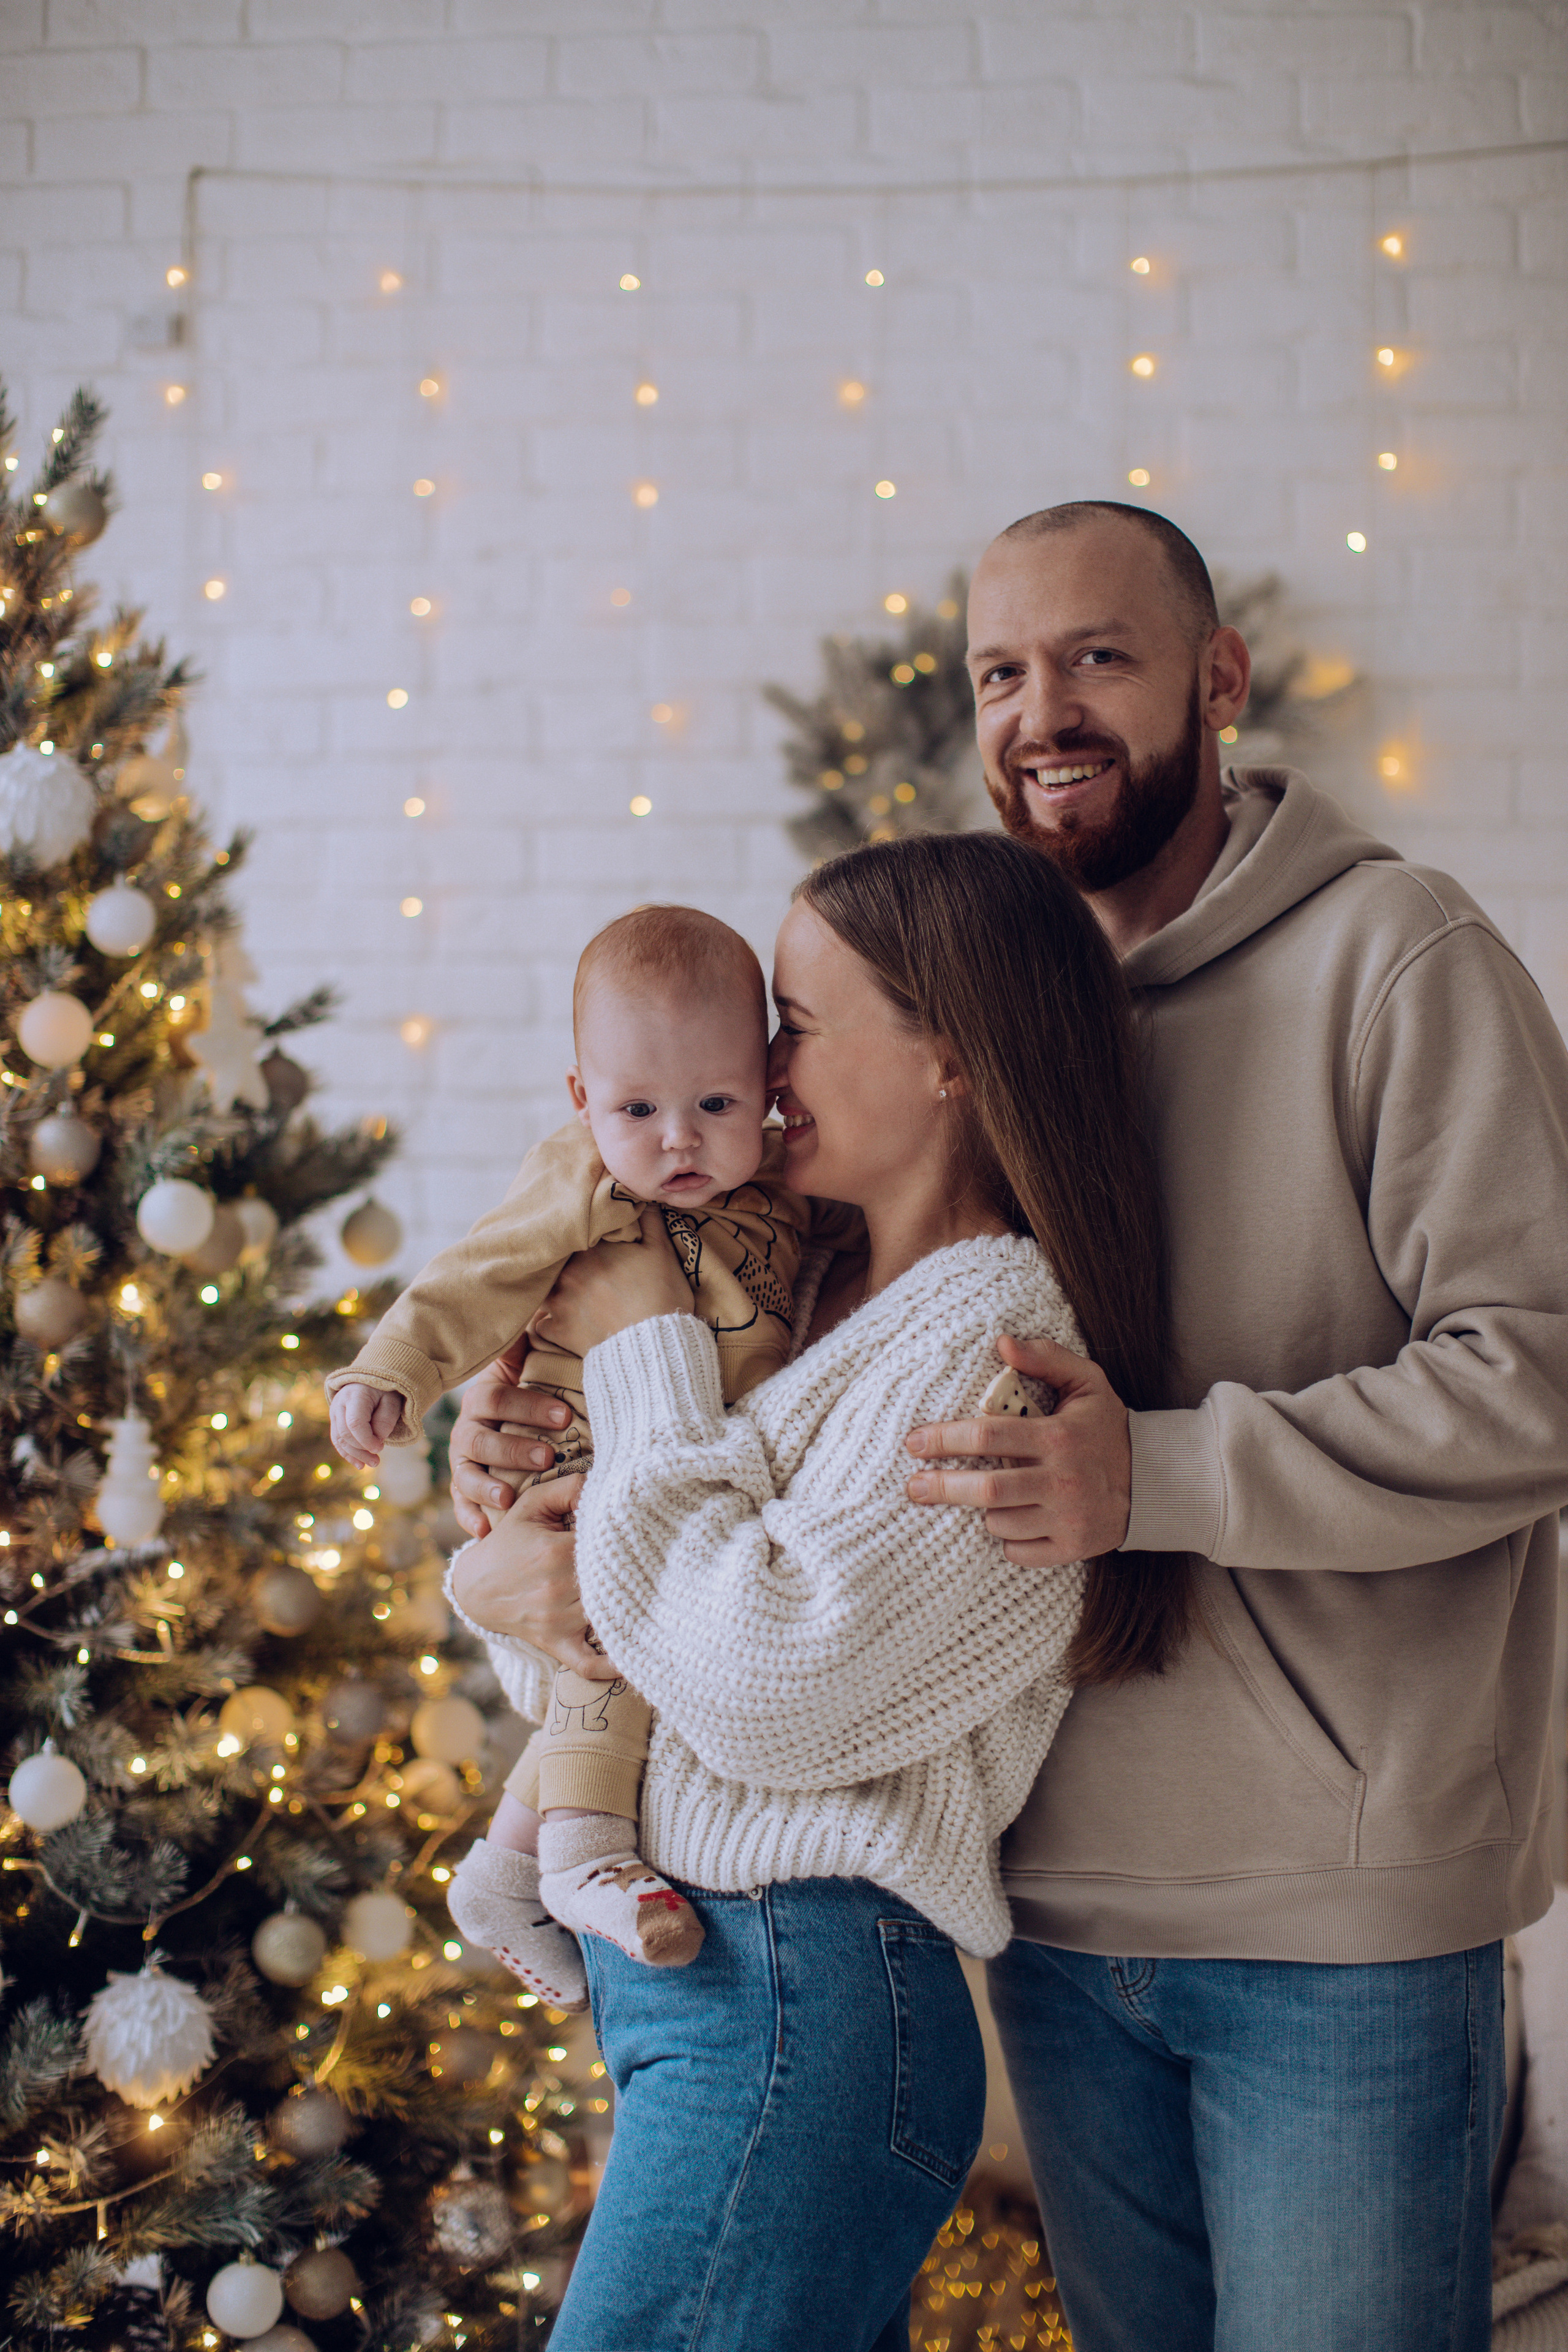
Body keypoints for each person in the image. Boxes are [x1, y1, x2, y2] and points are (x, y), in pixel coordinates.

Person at [455, 502, 1568, 2352]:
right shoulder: (940, 1024)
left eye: (1099, 659)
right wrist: (521, 1521)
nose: (1041, 711)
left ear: (1219, 680)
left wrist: (1164, 1472)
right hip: (1049, 1906)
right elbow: (720, 1507)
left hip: (1334, 1911)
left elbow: (1540, 1372)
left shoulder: (1395, 959)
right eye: (999, 672)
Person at [445, 829, 1183, 2351]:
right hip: (712, 1987)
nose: (760, 1065)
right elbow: (616, 1656)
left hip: (799, 1991)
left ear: (946, 1062)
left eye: (797, 1019)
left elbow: (763, 1686)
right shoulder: (797, 1304)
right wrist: (502, 1557)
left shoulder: (997, 1354)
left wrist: (639, 1339)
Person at [326, 906, 807, 2002]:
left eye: (716, 1104)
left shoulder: (790, 1188)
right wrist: (391, 1372)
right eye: (640, 1108)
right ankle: (585, 1860)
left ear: (770, 1088)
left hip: (683, 1457)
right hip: (577, 1451)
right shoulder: (583, 1175)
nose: (680, 1139)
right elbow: (478, 1273)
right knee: (616, 1640)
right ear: (585, 1100)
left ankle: (500, 1872)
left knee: (662, 1625)